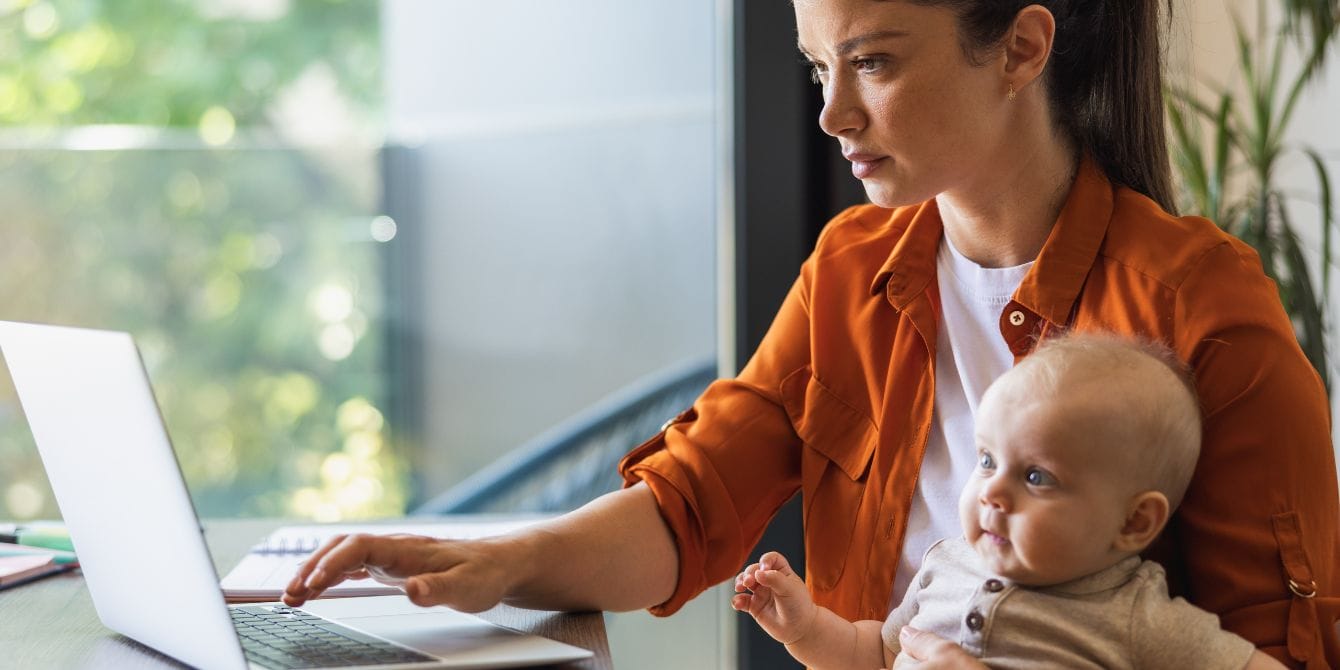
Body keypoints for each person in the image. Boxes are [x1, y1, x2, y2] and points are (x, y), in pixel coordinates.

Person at [283, 1, 1339, 664]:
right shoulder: (850, 267)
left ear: (1019, 47)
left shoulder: (1206, 317)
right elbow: (688, 509)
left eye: (872, 63)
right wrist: (490, 561)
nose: (833, 114)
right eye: (814, 68)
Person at [733, 333, 1286, 669]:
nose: (993, 491)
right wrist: (805, 630)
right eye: (987, 460)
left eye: (1038, 477)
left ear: (1134, 521)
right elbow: (871, 655)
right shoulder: (945, 564)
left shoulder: (1140, 619)